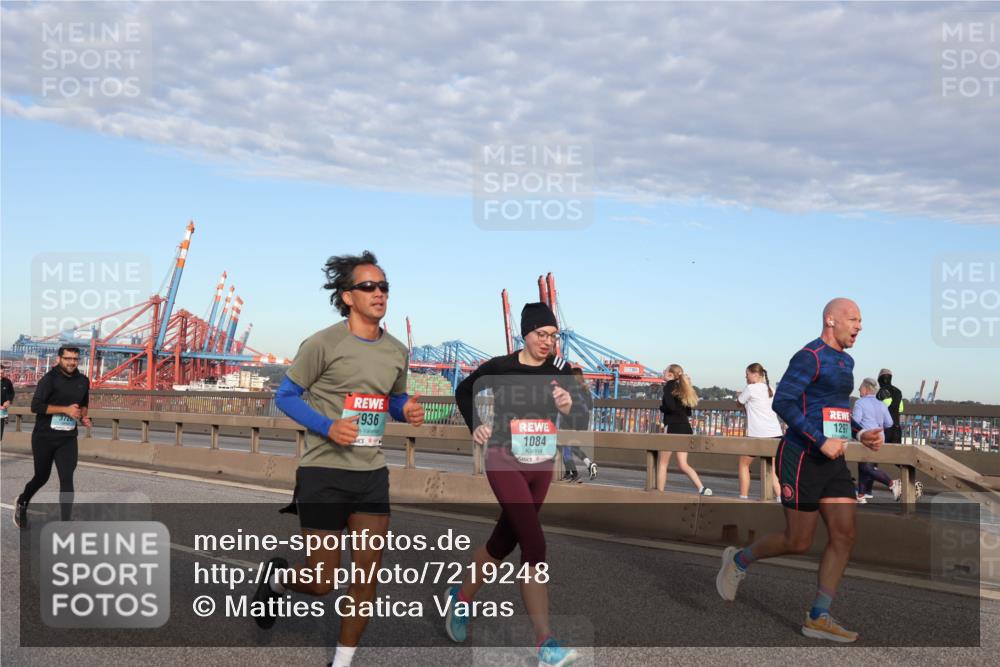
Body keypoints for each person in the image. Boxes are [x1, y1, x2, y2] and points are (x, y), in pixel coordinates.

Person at [254, 251, 424, 667]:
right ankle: (277, 579)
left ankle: (341, 662)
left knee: (366, 578)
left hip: (370, 473)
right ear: (348, 296)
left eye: (384, 286)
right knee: (321, 581)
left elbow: (393, 399)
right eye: (369, 286)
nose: (379, 293)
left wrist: (406, 410)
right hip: (324, 471)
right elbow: (285, 396)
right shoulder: (323, 343)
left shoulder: (396, 351)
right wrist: (328, 426)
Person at [716, 298, 885, 642]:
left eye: (861, 320)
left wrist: (858, 433)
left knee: (845, 534)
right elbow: (783, 402)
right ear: (831, 320)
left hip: (832, 460)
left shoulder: (845, 360)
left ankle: (818, 615)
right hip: (801, 456)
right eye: (854, 319)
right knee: (798, 541)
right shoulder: (808, 357)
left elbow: (834, 410)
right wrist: (820, 441)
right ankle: (739, 561)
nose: (860, 326)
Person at [443, 302, 587, 667]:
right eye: (541, 334)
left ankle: (460, 599)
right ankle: (546, 645)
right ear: (525, 334)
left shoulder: (560, 368)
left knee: (501, 543)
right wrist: (475, 422)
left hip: (540, 465)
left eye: (553, 336)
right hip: (504, 459)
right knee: (534, 544)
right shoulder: (500, 366)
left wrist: (569, 401)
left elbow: (579, 409)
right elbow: (464, 391)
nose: (548, 342)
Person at [14, 346, 91, 527]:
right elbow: (36, 406)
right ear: (59, 359)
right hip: (44, 437)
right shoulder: (49, 380)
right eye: (68, 358)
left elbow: (84, 402)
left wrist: (84, 417)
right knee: (42, 477)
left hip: (67, 438)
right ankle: (23, 501)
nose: (72, 362)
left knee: (67, 479)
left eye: (75, 359)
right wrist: (65, 409)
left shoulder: (83, 380)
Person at [657, 364, 711, 495]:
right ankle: (701, 488)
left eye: (665, 371)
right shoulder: (683, 387)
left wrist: (661, 408)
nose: (663, 372)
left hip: (672, 427)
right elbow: (688, 412)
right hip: (685, 427)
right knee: (683, 464)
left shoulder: (669, 387)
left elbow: (670, 407)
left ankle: (659, 493)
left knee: (663, 463)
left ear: (670, 375)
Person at [735, 363, 782, 500]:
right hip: (775, 433)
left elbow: (738, 402)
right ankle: (779, 497)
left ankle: (743, 496)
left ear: (755, 374)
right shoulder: (771, 389)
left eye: (747, 374)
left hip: (757, 435)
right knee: (773, 468)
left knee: (743, 464)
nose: (746, 377)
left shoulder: (750, 388)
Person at [853, 378, 900, 502]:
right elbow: (889, 423)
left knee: (866, 467)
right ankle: (863, 494)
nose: (858, 389)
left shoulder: (860, 403)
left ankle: (892, 483)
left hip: (867, 439)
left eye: (861, 387)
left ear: (867, 389)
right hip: (880, 438)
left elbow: (855, 422)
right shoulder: (881, 404)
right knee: (865, 466)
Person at [560, 367, 597, 483]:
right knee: (573, 447)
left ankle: (574, 474)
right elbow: (590, 406)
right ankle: (586, 466)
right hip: (583, 423)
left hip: (571, 421)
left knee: (565, 447)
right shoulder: (586, 390)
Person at [1, 364, 14, 441]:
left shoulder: (7, 382)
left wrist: (8, 400)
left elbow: (11, 393)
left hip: (2, 410)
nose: (1, 374)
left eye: (2, 373)